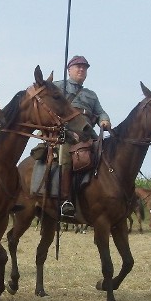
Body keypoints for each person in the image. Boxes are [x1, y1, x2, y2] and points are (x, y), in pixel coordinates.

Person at [54, 55, 111, 216]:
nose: (81, 69)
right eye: (78, 66)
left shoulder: (91, 95)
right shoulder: (58, 86)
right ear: (69, 70)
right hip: (65, 132)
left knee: (107, 154)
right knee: (66, 154)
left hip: (87, 132)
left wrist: (104, 120)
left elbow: (100, 112)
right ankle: (66, 200)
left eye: (84, 67)